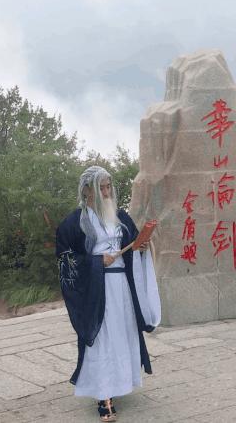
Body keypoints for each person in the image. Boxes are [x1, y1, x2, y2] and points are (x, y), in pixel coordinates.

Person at [56, 166, 161, 422]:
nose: (106, 192)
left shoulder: (120, 216)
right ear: (87, 190)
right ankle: (104, 396)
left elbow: (133, 245)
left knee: (122, 335)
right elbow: (66, 260)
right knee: (102, 338)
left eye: (108, 186)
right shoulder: (74, 223)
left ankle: (120, 382)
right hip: (97, 290)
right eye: (101, 187)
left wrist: (141, 248)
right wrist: (96, 261)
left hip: (122, 288)